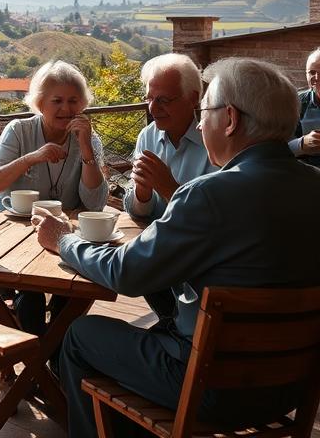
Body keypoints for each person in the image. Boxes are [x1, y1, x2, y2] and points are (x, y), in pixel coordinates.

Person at [33, 58, 320, 438]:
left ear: (230, 119)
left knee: (81, 335)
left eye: (205, 113)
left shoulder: (211, 193)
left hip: (211, 387)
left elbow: (126, 272)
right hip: (291, 386)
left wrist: (64, 240)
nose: (200, 124)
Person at [0, 60, 107, 336]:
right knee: (30, 295)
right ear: (40, 103)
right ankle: (39, 364)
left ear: (83, 104)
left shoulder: (87, 137)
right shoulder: (19, 130)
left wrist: (85, 146)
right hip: (14, 237)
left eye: (73, 100)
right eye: (57, 100)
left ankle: (53, 358)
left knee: (74, 290)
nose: (66, 108)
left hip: (60, 236)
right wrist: (32, 157)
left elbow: (95, 203)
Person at [124, 53, 216, 324]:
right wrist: (141, 193)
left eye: (164, 100)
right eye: (150, 99)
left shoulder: (214, 138)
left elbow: (214, 218)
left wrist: (168, 188)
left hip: (198, 259)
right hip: (158, 250)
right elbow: (137, 209)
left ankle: (182, 331)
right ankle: (172, 324)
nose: (153, 109)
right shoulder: (148, 135)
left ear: (193, 97)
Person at [289, 47, 320, 168]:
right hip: (307, 175)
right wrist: (301, 144)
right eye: (312, 72)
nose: (317, 78)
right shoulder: (294, 103)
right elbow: (274, 149)